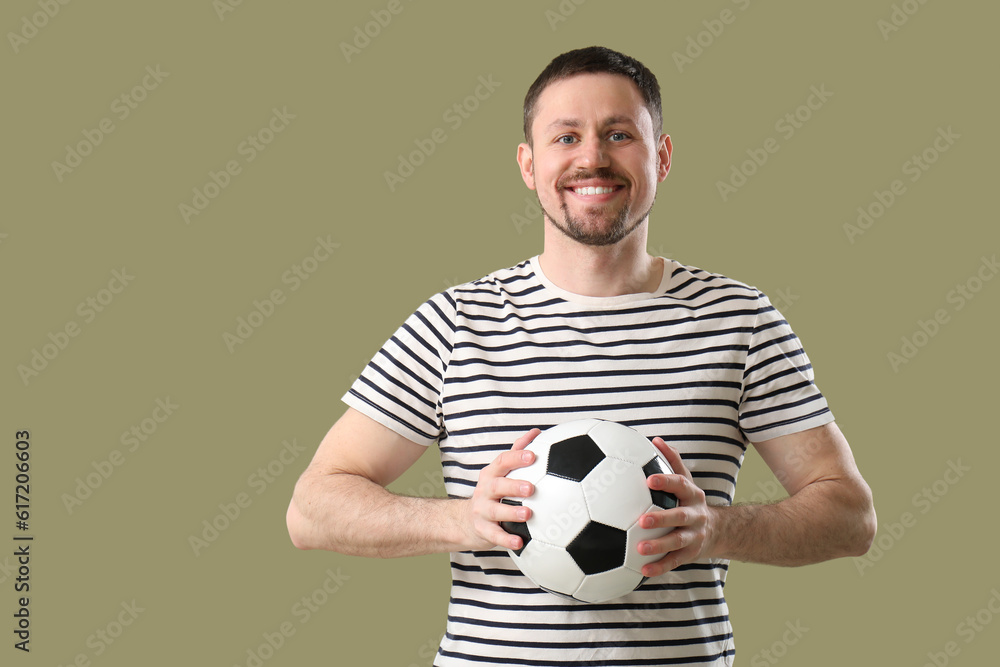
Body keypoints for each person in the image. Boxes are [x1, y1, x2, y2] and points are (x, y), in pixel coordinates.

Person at [286, 46, 876, 666]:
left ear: (663, 156)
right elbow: (312, 509)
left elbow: (849, 515)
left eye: (619, 134)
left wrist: (716, 530)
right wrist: (462, 520)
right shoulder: (456, 322)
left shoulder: (740, 320)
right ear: (528, 164)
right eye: (565, 136)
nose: (592, 157)